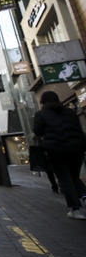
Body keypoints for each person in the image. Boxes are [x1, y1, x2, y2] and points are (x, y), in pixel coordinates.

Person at [33, 91, 86, 220]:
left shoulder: (41, 114)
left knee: (65, 178)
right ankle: (84, 196)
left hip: (56, 150)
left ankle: (75, 209)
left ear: (42, 102)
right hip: (76, 149)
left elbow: (38, 131)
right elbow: (78, 129)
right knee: (74, 176)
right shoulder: (70, 112)